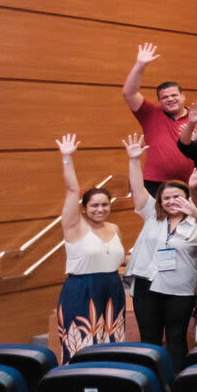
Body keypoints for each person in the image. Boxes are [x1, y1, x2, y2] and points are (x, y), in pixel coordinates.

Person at [124, 142, 197, 365]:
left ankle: (177, 380)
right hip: (147, 284)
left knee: (176, 338)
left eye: (177, 196)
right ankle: (148, 379)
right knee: (149, 338)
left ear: (187, 198)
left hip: (180, 288)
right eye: (166, 198)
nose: (171, 201)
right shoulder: (152, 215)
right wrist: (134, 159)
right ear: (159, 201)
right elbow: (138, 188)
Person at [52, 133, 130, 359]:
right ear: (84, 208)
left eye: (105, 205)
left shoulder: (114, 228)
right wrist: (67, 158)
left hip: (113, 288)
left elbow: (118, 259)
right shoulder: (74, 226)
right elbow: (72, 191)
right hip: (81, 289)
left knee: (112, 345)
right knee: (81, 346)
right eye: (94, 205)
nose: (100, 209)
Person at [120, 42, 197, 191]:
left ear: (183, 96)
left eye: (174, 95)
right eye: (165, 97)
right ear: (159, 101)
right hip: (155, 184)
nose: (170, 99)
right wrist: (140, 65)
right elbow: (128, 94)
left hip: (192, 185)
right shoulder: (149, 114)